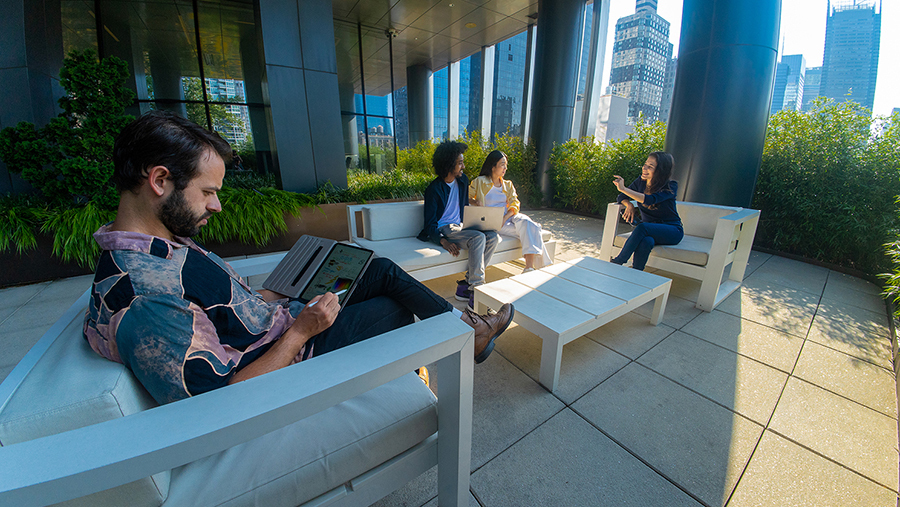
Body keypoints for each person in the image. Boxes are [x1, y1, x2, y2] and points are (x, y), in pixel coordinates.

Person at [83, 111, 514, 405]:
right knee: (396, 308)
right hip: (295, 349)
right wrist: (302, 330)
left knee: (376, 267)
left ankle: (468, 329)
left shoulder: (162, 244)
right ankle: (455, 344)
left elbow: (215, 312)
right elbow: (224, 400)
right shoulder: (148, 301)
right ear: (160, 180)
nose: (216, 205)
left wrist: (274, 291)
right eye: (208, 192)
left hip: (280, 314)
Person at [418, 140, 498, 309]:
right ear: (449, 165)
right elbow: (429, 224)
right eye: (460, 163)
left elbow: (463, 207)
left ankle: (466, 286)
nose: (463, 166)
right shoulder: (434, 189)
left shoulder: (462, 181)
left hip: (460, 226)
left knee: (493, 236)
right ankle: (477, 290)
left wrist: (476, 218)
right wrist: (443, 241)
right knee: (477, 238)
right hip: (444, 228)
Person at [470, 150, 551, 273]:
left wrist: (505, 217)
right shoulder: (480, 181)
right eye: (502, 164)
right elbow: (466, 197)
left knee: (527, 223)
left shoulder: (508, 184)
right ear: (493, 166)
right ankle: (538, 268)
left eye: (506, 165)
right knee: (533, 229)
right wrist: (476, 202)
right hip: (492, 220)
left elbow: (515, 203)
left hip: (508, 217)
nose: (505, 168)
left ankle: (529, 267)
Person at [610, 151, 684, 271]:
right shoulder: (640, 182)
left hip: (672, 230)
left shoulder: (671, 186)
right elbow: (621, 197)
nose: (644, 168)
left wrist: (623, 189)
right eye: (645, 164)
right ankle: (636, 272)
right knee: (646, 241)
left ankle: (618, 261)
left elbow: (650, 200)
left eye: (650, 166)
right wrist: (629, 205)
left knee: (642, 227)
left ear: (661, 170)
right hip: (649, 231)